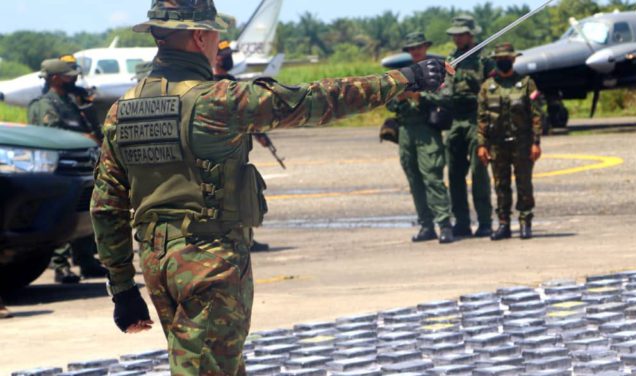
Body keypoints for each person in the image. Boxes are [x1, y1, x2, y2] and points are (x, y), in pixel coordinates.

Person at [90, 1, 445, 374]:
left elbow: (106, 206)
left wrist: (123, 288)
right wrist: (405, 79)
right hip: (208, 262)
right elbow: (317, 100)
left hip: (157, 264)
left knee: (205, 364)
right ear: (199, 36)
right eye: (215, 36)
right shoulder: (219, 102)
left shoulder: (123, 110)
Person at [28, 56, 108, 283]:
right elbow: (50, 133)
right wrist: (85, 137)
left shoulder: (71, 102)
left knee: (85, 214)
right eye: (68, 75)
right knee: (61, 215)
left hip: (81, 166)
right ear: (55, 78)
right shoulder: (45, 104)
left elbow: (90, 128)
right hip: (60, 168)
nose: (73, 79)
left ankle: (87, 261)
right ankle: (60, 266)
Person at [387, 32, 453, 244]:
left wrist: (420, 96)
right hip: (406, 131)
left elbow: (446, 96)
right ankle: (426, 225)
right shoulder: (401, 74)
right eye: (412, 48)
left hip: (427, 129)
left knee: (433, 177)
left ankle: (444, 225)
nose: (416, 51)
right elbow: (389, 103)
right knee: (414, 180)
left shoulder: (437, 71)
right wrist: (399, 97)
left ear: (426, 47)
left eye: (419, 47)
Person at [432, 15, 494, 239]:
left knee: (479, 173)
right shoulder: (451, 59)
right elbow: (443, 88)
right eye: (454, 35)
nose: (457, 39)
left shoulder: (484, 59)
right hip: (455, 120)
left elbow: (493, 89)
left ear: (470, 34)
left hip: (476, 119)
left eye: (461, 34)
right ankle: (462, 222)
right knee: (455, 174)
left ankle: (485, 222)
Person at [477, 43, 543, 240]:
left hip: (522, 142)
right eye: (499, 59)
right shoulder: (487, 87)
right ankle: (504, 223)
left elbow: (536, 114)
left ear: (513, 59)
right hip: (497, 144)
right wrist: (482, 144)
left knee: (524, 184)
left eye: (506, 58)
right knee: (500, 185)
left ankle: (525, 221)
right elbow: (481, 118)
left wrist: (536, 142)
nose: (503, 62)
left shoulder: (527, 83)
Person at [213, 40, 272, 252]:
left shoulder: (232, 83)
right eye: (222, 54)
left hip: (237, 151)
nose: (226, 57)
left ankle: (247, 238)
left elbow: (248, 115)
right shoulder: (208, 84)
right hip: (216, 151)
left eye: (228, 53)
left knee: (244, 196)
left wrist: (261, 136)